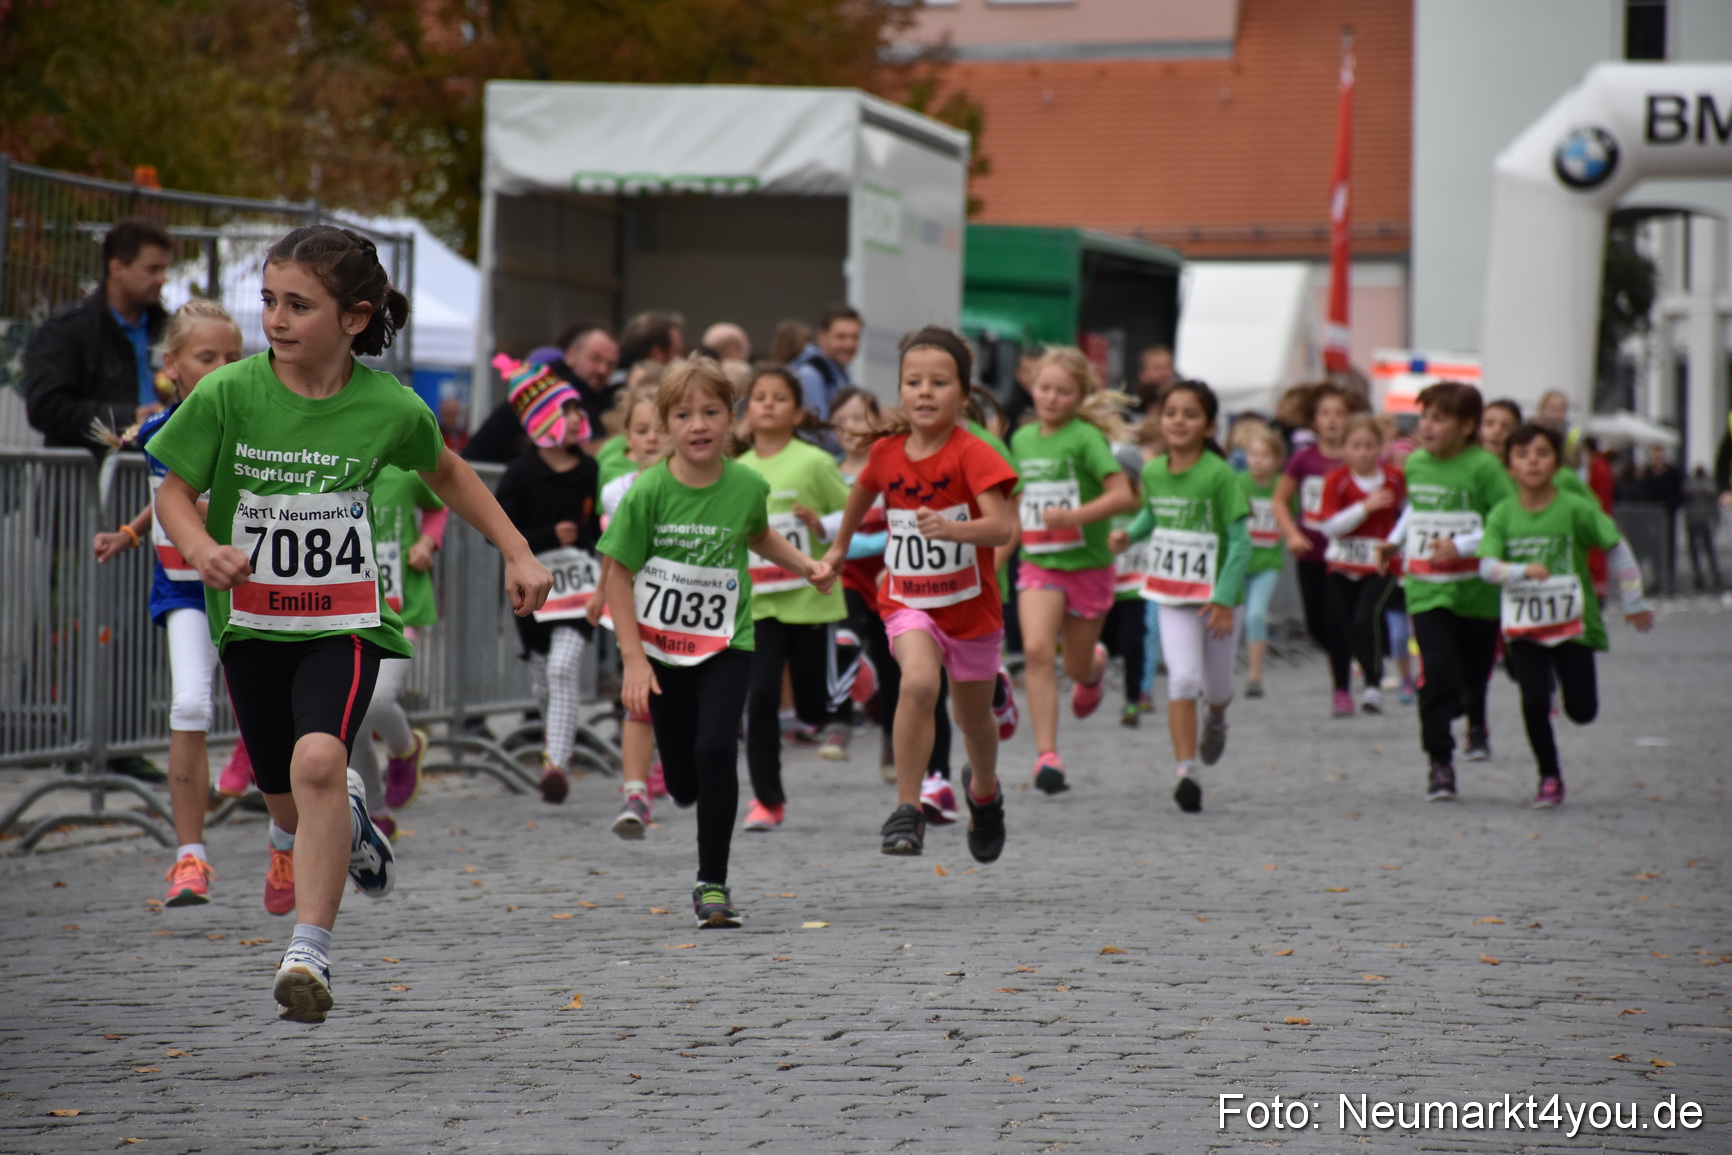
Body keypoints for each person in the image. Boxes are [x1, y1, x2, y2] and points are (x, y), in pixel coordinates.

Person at [149, 225, 552, 1023]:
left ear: (356, 317)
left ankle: (310, 950)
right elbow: (171, 487)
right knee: (293, 807)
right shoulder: (229, 392)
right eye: (269, 300)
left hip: (344, 619)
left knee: (323, 759)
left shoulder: (387, 406)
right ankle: (356, 829)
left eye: (299, 304)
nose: (277, 319)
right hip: (252, 624)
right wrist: (200, 547)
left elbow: (449, 472)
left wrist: (517, 551)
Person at [601, 357, 832, 928]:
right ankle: (678, 784)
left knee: (715, 750)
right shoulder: (648, 492)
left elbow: (758, 533)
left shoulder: (749, 484)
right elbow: (618, 575)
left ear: (731, 419)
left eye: (710, 412)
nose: (698, 424)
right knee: (682, 778)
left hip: (729, 641)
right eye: (683, 414)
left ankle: (712, 883)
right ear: (665, 423)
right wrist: (633, 660)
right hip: (660, 651)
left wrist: (805, 564)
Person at [823, 327, 1017, 860]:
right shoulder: (886, 452)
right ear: (901, 392)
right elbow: (862, 493)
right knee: (918, 683)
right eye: (914, 382)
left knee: (973, 720)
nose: (925, 392)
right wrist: (840, 549)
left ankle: (985, 792)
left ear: (963, 393)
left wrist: (957, 530)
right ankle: (907, 808)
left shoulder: (972, 454)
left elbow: (1001, 528)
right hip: (910, 600)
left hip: (971, 609)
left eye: (939, 382)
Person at [90, 300, 245, 907]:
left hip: (247, 589)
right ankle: (190, 858)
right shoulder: (158, 430)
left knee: (265, 720)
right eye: (208, 357)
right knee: (189, 701)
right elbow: (169, 495)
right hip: (181, 586)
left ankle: (286, 843)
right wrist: (130, 534)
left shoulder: (254, 428)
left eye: (234, 357)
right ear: (171, 366)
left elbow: (199, 502)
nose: (223, 367)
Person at [1479, 423, 1653, 807]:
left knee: (1582, 709)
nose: (1533, 462)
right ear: (1509, 467)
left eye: (1542, 453)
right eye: (1522, 455)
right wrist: (1519, 571)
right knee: (1534, 702)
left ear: (1558, 462)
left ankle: (1565, 693)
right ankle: (1550, 776)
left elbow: (1617, 547)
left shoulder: (1575, 508)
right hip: (1526, 627)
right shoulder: (1503, 514)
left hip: (1575, 625)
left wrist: (1633, 600)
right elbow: (1486, 566)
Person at [1112, 380, 1250, 815]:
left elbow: (1240, 541)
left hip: (1217, 599)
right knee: (1182, 679)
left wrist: (1225, 599)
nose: (1178, 421)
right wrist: (1128, 534)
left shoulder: (1220, 475)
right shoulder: (1153, 472)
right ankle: (1186, 770)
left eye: (1190, 415)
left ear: (1209, 426)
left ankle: (1217, 716)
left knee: (1218, 686)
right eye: (1171, 412)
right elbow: (1155, 513)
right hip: (1171, 593)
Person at [1376, 381, 1514, 801]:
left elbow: (1504, 521)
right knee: (1436, 674)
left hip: (1475, 590)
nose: (1427, 426)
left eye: (1439, 418)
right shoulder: (1415, 465)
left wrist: (1462, 546)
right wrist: (1395, 540)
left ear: (1467, 426)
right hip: (1427, 586)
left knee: (1472, 676)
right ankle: (1440, 762)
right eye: (1424, 417)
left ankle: (1466, 710)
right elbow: (1419, 508)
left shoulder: (1485, 468)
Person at [1010, 348, 1138, 795]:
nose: (1051, 398)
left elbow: (1123, 495)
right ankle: (1048, 756)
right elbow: (1016, 506)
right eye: (1045, 388)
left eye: (1063, 392)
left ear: (1079, 395)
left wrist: (1076, 516)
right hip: (1039, 562)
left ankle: (1093, 668)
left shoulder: (1086, 438)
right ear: (1033, 387)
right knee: (1038, 652)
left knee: (1076, 664)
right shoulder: (1022, 439)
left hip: (1088, 566)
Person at [735, 367, 854, 829]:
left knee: (812, 709)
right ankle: (768, 799)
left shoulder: (814, 462)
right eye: (759, 397)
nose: (767, 404)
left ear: (799, 412)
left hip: (810, 599)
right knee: (761, 697)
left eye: (779, 398)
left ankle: (852, 671)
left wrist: (820, 526)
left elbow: (851, 515)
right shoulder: (738, 468)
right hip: (759, 601)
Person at [492, 355, 602, 804]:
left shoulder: (589, 471)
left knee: (563, 668)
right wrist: (543, 537)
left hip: (577, 592)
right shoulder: (520, 475)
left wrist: (586, 534)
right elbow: (495, 531)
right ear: (541, 420)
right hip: (533, 593)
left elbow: (600, 529)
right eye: (567, 410)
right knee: (544, 679)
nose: (578, 419)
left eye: (579, 410)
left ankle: (557, 764)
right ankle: (550, 749)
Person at [346, 464, 445, 837]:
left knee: (376, 699)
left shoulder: (402, 472)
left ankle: (405, 747)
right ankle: (375, 812)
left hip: (401, 609)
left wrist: (426, 542)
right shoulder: (329, 473)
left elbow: (438, 504)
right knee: (349, 714)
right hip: (348, 610)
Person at [590, 385, 669, 837]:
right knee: (637, 697)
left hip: (688, 614)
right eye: (642, 430)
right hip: (637, 608)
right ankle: (635, 791)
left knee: (676, 703)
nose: (652, 438)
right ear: (628, 439)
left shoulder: (699, 485)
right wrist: (599, 592)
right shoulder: (617, 491)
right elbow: (615, 550)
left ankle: (669, 766)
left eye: (660, 429)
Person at [25, 220, 173, 452]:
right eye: (153, 269)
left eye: (165, 269)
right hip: (86, 479)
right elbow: (46, 408)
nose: (163, 279)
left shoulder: (169, 329)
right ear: (117, 269)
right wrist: (128, 419)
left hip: (156, 472)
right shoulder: (67, 330)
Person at [1316, 414, 1405, 716]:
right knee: (1341, 627)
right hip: (1342, 564)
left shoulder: (1394, 478)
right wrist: (1364, 508)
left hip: (1381, 564)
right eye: (1356, 446)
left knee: (1366, 617)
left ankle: (1372, 684)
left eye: (1369, 445)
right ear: (1344, 449)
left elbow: (1408, 514)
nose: (1363, 452)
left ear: (1381, 447)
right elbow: (1329, 527)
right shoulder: (1336, 481)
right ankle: (1341, 689)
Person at [1272, 383, 1354, 654]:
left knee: (1342, 617)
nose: (1332, 420)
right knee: (1316, 624)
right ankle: (1341, 659)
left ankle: (1348, 672)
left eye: (1339, 413)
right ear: (1314, 420)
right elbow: (1280, 500)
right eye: (1325, 413)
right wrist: (1292, 534)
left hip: (1346, 553)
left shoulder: (1356, 458)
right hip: (1311, 551)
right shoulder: (1303, 459)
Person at [463, 320, 618, 463]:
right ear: (571, 356)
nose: (602, 370)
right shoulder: (556, 390)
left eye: (610, 365)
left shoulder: (554, 382)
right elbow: (581, 448)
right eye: (595, 359)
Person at [1237, 424, 1287, 698]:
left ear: (1278, 460)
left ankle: (1254, 675)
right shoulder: (1238, 483)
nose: (1257, 460)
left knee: (1255, 615)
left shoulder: (1282, 487)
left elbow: (1290, 516)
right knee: (1233, 617)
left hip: (1267, 564)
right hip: (1239, 563)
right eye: (1252, 454)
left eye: (1264, 455)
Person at [787, 303, 861, 420]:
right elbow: (819, 429)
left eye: (855, 337)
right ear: (821, 337)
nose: (849, 344)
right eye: (841, 337)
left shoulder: (840, 373)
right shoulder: (809, 375)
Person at [1683, 465, 1723, 590]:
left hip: (1698, 520)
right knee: (1702, 550)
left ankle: (1710, 575)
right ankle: (1703, 575)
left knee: (1704, 550)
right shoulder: (1707, 485)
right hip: (1698, 520)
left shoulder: (1693, 484)